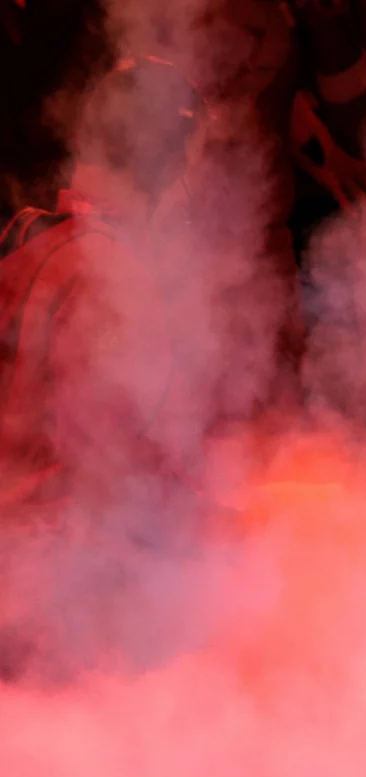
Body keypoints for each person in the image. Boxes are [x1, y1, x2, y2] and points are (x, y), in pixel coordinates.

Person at [0, 57, 206, 679]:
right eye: (196, 162)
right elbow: (107, 469)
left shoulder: (27, 235)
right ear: (164, 167)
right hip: (51, 587)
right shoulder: (112, 276)